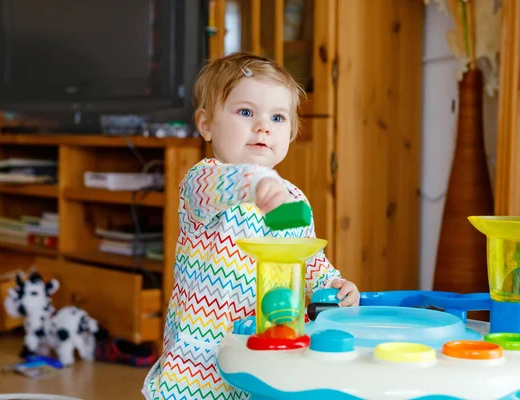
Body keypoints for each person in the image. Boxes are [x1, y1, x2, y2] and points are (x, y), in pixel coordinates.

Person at [142, 52, 360, 400]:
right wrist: (256, 184)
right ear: (206, 123)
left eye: (277, 117)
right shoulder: (202, 180)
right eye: (246, 112)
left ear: (290, 134)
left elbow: (306, 261)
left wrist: (332, 283)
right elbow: (223, 185)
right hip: (200, 366)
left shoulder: (293, 199)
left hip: (267, 355)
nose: (263, 126)